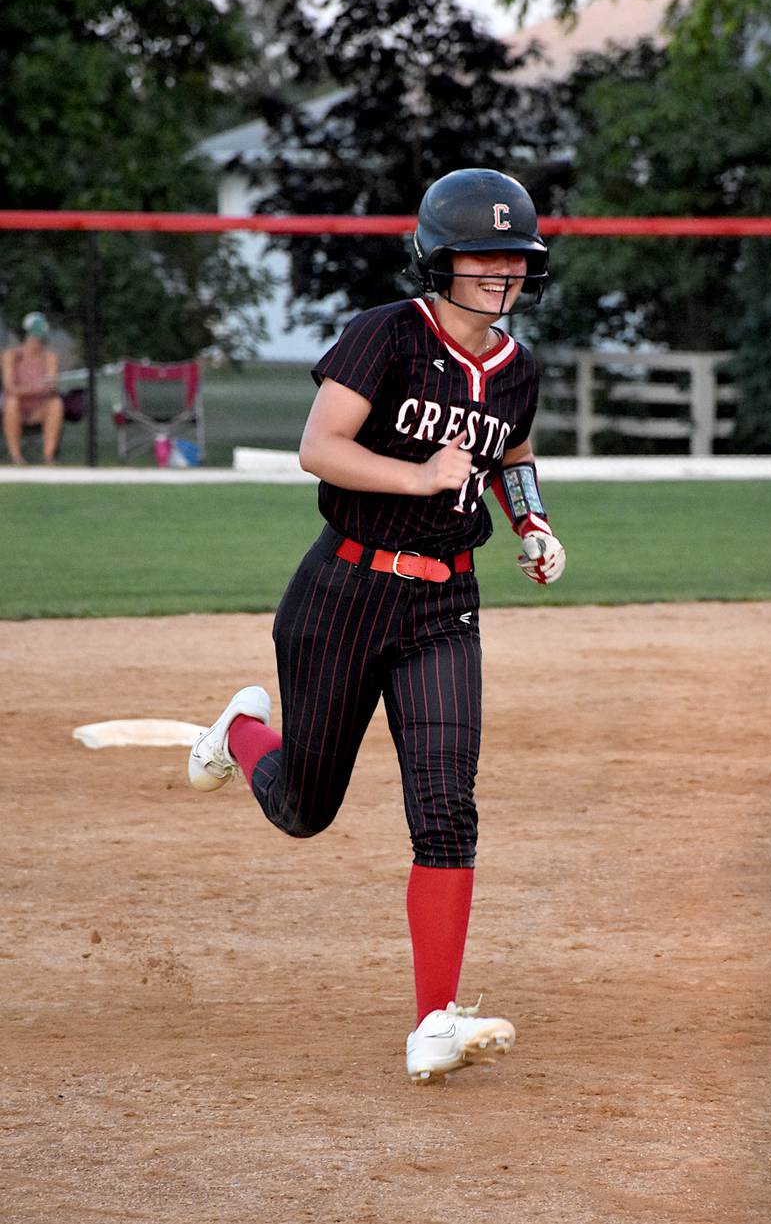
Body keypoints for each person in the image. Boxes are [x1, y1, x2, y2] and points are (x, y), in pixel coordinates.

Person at [188, 168, 567, 1083]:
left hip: (446, 605)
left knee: (447, 809)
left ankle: (434, 1018)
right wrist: (420, 476)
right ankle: (242, 731)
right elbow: (320, 448)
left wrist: (535, 522)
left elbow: (511, 458)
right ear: (438, 258)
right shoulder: (386, 335)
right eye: (481, 253)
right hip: (342, 597)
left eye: (513, 256)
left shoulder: (519, 370)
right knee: (304, 808)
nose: (499, 271)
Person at [1, 312, 62, 465]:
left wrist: (43, 388)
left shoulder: (49, 357)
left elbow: (51, 386)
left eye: (40, 339)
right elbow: (10, 388)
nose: (37, 343)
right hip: (16, 408)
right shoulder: (11, 356)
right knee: (12, 402)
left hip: (39, 408)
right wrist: (36, 387)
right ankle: (16, 457)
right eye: (34, 338)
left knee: (56, 404)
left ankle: (48, 457)